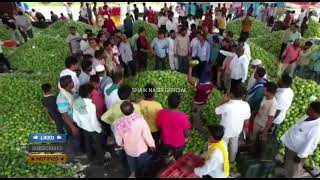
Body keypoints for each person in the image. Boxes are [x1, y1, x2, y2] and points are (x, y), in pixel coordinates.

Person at [114, 101, 155, 178]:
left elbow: (118, 137)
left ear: (122, 111)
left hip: (128, 149)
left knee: (131, 162)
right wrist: (152, 145)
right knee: (144, 165)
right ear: (133, 109)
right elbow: (147, 134)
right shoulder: (140, 120)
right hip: (141, 149)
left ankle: (133, 174)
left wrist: (121, 144)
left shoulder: (118, 122)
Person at [281, 101, 320, 178]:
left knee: (293, 170)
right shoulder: (307, 116)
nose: (307, 109)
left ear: (317, 114)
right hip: (290, 146)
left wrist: (300, 156)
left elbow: (309, 143)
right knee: (288, 165)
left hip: (296, 152)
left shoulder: (316, 128)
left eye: (310, 109)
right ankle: (286, 174)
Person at [215, 86, 251, 162]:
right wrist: (246, 127)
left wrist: (223, 101)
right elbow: (247, 118)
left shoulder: (227, 106)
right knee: (234, 144)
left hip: (225, 131)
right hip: (237, 129)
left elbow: (216, 111)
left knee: (223, 145)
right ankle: (232, 160)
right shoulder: (246, 105)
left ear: (231, 94)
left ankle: (222, 161)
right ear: (243, 95)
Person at [73, 84, 105, 165]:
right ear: (88, 94)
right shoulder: (91, 106)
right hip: (93, 129)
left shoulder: (76, 102)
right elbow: (93, 121)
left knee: (87, 143)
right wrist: (99, 130)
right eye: (91, 92)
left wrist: (81, 125)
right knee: (98, 145)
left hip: (84, 128)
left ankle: (90, 157)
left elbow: (75, 117)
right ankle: (101, 160)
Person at [157, 93, 191, 161]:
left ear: (168, 103)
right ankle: (176, 161)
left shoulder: (161, 113)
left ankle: (166, 160)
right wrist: (187, 137)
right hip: (178, 143)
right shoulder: (183, 116)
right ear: (179, 104)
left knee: (164, 154)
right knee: (178, 157)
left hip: (165, 140)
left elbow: (159, 126)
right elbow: (186, 132)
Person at [56, 75, 82, 161]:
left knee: (78, 136)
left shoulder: (70, 92)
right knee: (74, 137)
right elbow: (64, 115)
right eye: (71, 81)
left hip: (76, 119)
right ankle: (76, 154)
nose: (73, 82)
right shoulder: (62, 98)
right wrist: (72, 127)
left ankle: (79, 150)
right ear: (68, 84)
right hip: (70, 122)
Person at [252, 82, 278, 158]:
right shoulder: (265, 97)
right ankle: (252, 150)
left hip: (262, 125)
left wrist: (264, 131)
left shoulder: (273, 104)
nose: (263, 90)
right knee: (253, 139)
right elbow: (260, 107)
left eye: (264, 89)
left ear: (267, 90)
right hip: (257, 120)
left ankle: (255, 155)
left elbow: (270, 119)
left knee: (257, 142)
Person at [187, 63, 214, 130]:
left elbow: (189, 79)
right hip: (204, 102)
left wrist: (190, 67)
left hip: (197, 103)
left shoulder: (201, 86)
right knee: (200, 112)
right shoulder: (211, 84)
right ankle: (200, 119)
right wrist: (207, 95)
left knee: (195, 114)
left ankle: (197, 127)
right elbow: (210, 92)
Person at [138, 84, 163, 149]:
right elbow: (161, 120)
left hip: (143, 130)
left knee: (144, 145)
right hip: (155, 131)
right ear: (153, 94)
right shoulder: (158, 105)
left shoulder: (139, 104)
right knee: (154, 145)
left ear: (144, 94)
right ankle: (154, 155)